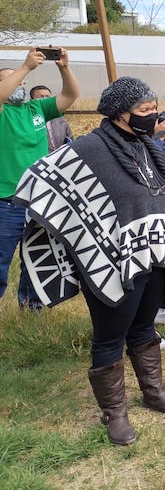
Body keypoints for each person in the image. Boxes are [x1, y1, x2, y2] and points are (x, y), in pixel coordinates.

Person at [14, 77, 165, 445]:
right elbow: (41, 179)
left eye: (152, 107)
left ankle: (154, 393)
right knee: (110, 335)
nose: (152, 114)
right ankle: (115, 413)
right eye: (144, 110)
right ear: (119, 113)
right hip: (112, 259)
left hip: (153, 251)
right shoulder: (90, 148)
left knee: (144, 327)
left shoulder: (146, 146)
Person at [0, 47, 79, 310]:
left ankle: (31, 307)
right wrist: (25, 67)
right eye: (11, 80)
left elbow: (70, 96)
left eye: (22, 82)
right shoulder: (3, 111)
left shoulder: (35, 108)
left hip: (38, 200)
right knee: (1, 259)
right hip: (6, 201)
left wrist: (64, 67)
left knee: (35, 256)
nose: (19, 84)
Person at [29, 85, 73, 151]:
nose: (44, 99)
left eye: (47, 96)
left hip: (59, 157)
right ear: (31, 100)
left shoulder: (59, 118)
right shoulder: (28, 119)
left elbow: (69, 138)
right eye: (40, 97)